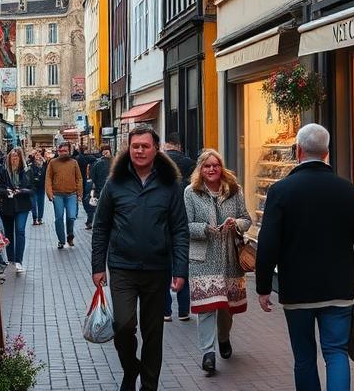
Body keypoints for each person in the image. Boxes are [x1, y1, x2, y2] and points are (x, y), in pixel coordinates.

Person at [256, 123, 354, 391]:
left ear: (298, 150)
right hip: (338, 288)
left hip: (297, 290)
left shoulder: (281, 191)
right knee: (336, 353)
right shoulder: (348, 190)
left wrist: (263, 286)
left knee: (305, 357)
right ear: (326, 152)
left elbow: (268, 243)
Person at [91, 125, 189, 391]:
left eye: (145, 146)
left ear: (156, 149)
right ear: (129, 149)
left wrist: (180, 269)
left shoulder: (170, 184)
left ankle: (148, 385)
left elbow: (180, 229)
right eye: (135, 146)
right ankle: (130, 367)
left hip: (157, 269)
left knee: (153, 332)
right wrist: (98, 266)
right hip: (122, 267)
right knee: (123, 326)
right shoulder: (115, 183)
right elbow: (101, 227)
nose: (140, 151)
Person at [184, 149, 252, 376]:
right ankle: (208, 353)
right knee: (206, 308)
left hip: (230, 257)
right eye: (207, 166)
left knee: (226, 308)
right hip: (202, 258)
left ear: (221, 167)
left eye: (216, 165)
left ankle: (223, 337)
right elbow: (185, 225)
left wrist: (237, 224)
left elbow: (247, 219)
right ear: (200, 170)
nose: (212, 169)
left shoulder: (235, 190)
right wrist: (204, 228)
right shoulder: (190, 193)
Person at [162, 136, 195, 321]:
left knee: (165, 266)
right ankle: (183, 310)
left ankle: (166, 310)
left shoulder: (160, 162)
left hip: (164, 220)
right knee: (183, 264)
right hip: (184, 219)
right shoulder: (190, 163)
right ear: (179, 146)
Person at [0, 148, 33, 274]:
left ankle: (19, 260)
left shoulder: (27, 171)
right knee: (9, 233)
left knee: (20, 231)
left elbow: (32, 188)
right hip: (7, 205)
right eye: (12, 157)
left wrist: (21, 191)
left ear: (21, 158)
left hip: (22, 205)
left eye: (16, 157)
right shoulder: (2, 170)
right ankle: (11, 259)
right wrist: (6, 192)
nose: (14, 159)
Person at [45, 142, 82, 249]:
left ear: (69, 151)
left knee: (71, 216)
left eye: (65, 151)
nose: (62, 153)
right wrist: (49, 193)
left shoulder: (74, 162)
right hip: (58, 195)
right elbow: (48, 178)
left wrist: (79, 193)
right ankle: (61, 240)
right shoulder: (52, 163)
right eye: (60, 151)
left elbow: (79, 178)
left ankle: (70, 235)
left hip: (72, 194)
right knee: (59, 218)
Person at [74, 147, 98, 229]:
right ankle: (89, 220)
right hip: (88, 182)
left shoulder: (77, 159)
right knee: (88, 200)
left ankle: (87, 219)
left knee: (84, 199)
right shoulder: (92, 159)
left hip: (83, 182)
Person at [27, 152, 47, 226]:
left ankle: (40, 218)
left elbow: (47, 171)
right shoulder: (31, 166)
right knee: (33, 203)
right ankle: (35, 219)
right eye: (36, 155)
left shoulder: (44, 165)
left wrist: (43, 160)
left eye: (39, 155)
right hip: (33, 187)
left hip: (41, 187)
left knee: (41, 203)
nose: (38, 157)